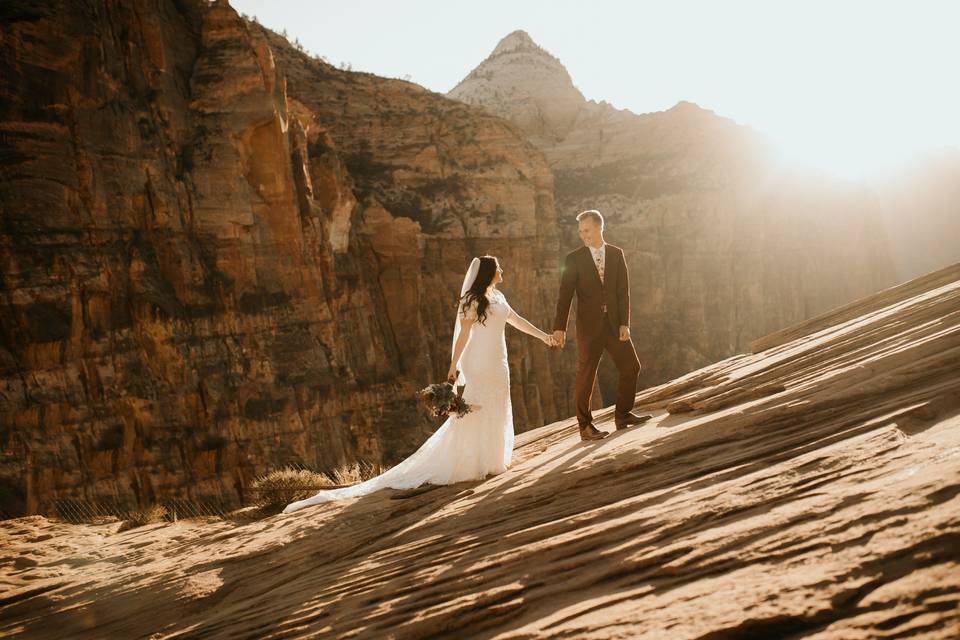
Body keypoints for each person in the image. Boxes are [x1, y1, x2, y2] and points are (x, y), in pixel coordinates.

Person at [283, 256, 554, 513]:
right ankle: (474, 462)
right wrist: (453, 367)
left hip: (498, 360)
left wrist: (544, 337)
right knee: (478, 406)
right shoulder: (471, 301)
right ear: (488, 273)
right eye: (498, 268)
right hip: (478, 361)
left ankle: (493, 458)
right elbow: (463, 337)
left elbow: (517, 321)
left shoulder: (499, 297)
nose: (502, 271)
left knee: (497, 403)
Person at [553, 210, 651, 442]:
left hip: (615, 326)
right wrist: (560, 327)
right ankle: (585, 426)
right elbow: (564, 296)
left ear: (599, 228)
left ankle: (623, 414)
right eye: (580, 231)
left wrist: (625, 323)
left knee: (631, 367)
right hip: (589, 328)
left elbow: (623, 292)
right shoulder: (574, 259)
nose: (582, 235)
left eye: (586, 230)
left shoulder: (617, 254)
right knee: (586, 375)